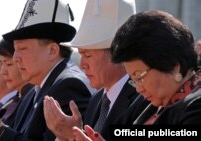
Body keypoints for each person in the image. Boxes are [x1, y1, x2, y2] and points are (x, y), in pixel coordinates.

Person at [0, 0, 94, 141]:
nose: (16, 58)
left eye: (22, 49)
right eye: (15, 49)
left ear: (52, 51)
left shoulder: (68, 86)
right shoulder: (35, 90)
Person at [73, 10, 201, 141]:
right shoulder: (149, 105)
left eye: (140, 77)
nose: (139, 89)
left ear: (173, 66)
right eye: (133, 80)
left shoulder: (196, 107)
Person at [43, 0, 148, 141]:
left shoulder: (143, 100)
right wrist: (70, 136)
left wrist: (72, 136)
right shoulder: (96, 100)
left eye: (87, 55)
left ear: (116, 54)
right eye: (80, 54)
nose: (82, 65)